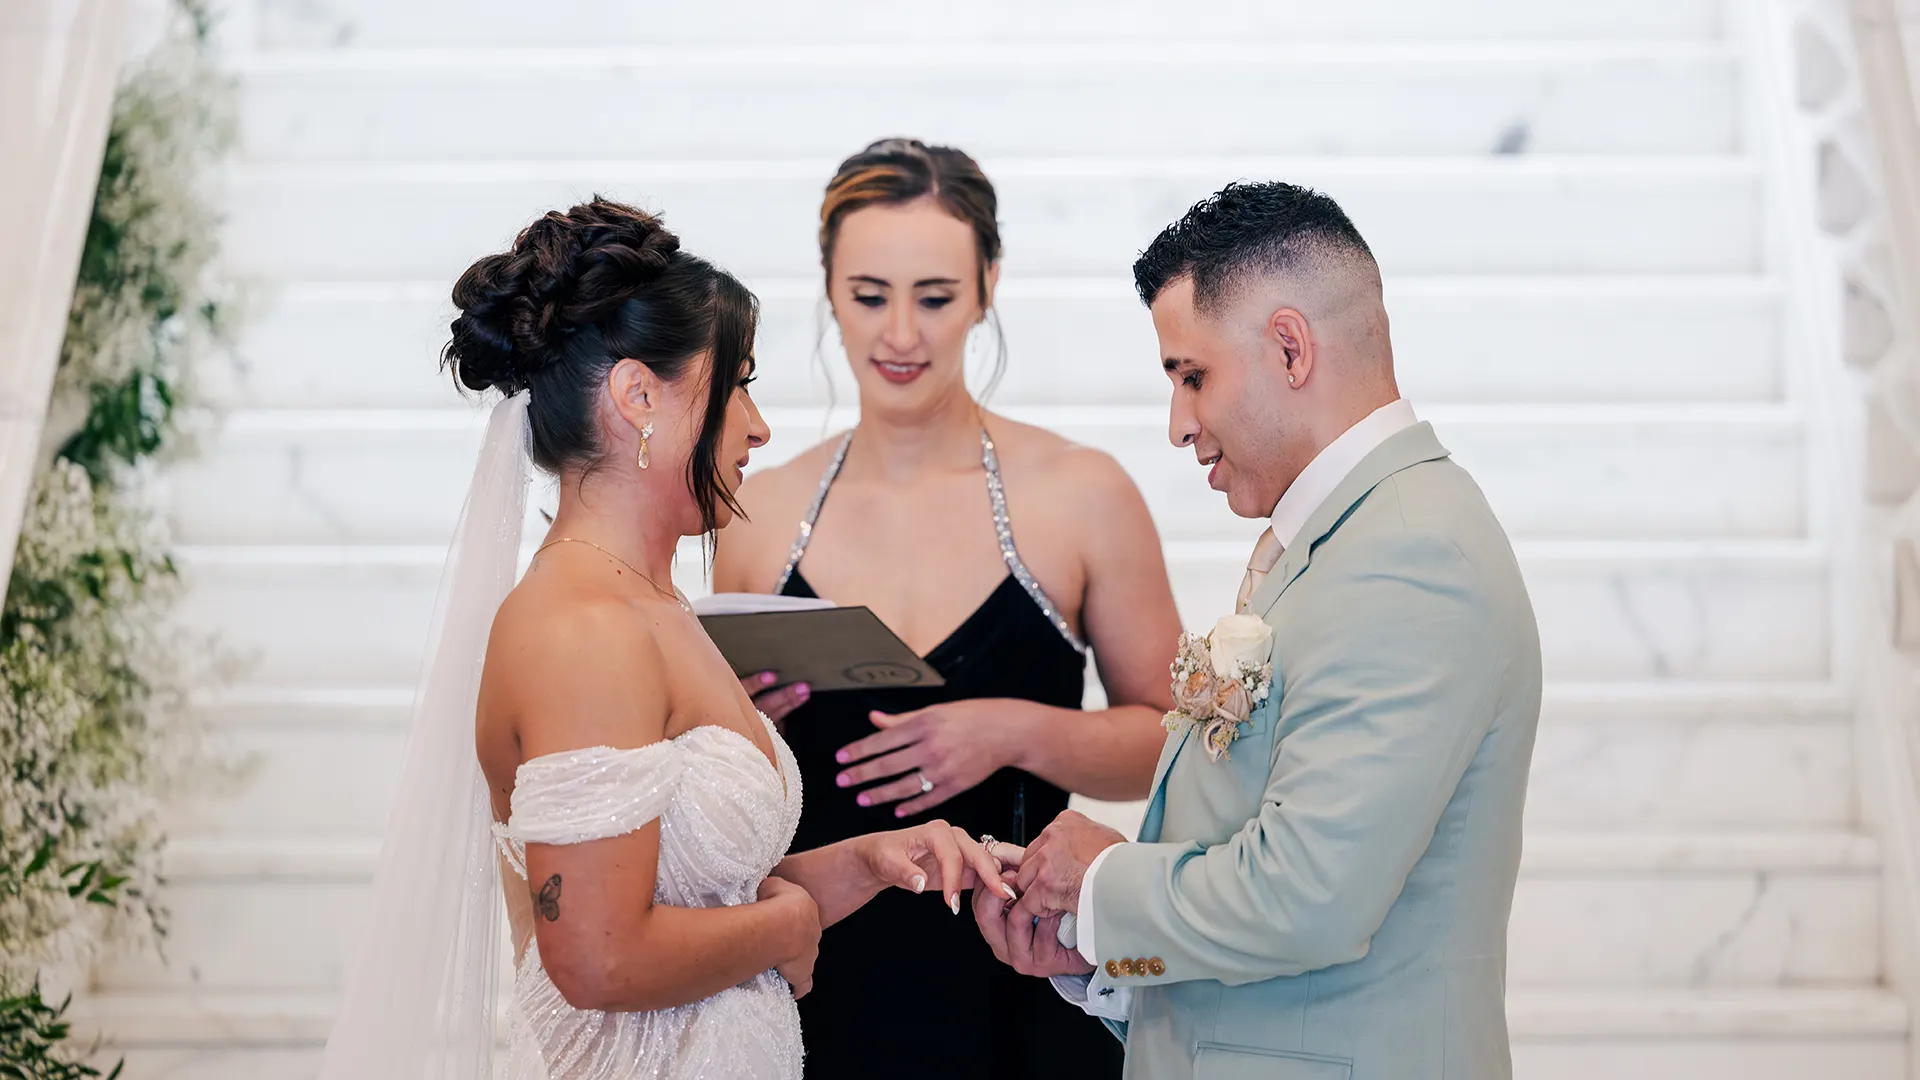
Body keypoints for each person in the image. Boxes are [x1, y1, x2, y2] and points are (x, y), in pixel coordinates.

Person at [315, 198, 1006, 1080]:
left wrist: (870, 861)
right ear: (639, 395)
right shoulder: (580, 631)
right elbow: (600, 957)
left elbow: (699, 900)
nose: (757, 425)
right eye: (739, 380)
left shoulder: (660, 608)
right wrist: (789, 925)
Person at [976, 181, 1544, 1080]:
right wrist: (1104, 955)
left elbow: (1309, 894)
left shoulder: (1410, 554)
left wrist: (1101, 887)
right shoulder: (1350, 536)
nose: (1178, 425)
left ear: (1290, 346)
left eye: (1191, 376)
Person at [712, 138, 1180, 1078]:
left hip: (1026, 975)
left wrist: (1012, 730)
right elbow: (710, 785)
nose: (899, 336)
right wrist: (742, 734)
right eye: (870, 295)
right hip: (818, 987)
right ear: (830, 289)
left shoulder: (1082, 495)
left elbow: (1176, 747)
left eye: (933, 297)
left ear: (987, 285)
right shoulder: (758, 513)